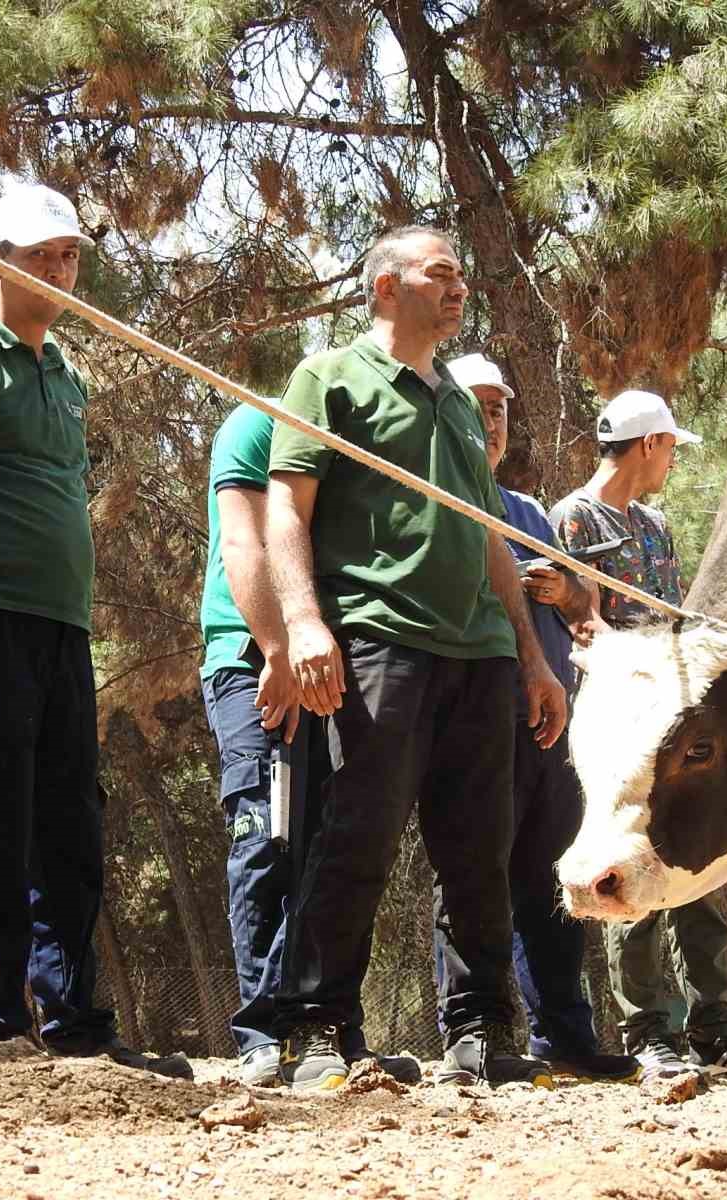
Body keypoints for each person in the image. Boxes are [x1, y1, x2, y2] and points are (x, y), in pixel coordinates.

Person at [266, 225, 568, 1091]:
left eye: (462, 275)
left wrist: (532, 660)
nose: (460, 288)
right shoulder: (326, 378)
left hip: (478, 655)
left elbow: (489, 538)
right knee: (354, 834)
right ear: (385, 289)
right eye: (441, 274)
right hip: (376, 638)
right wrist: (304, 623)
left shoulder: (463, 404)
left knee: (481, 850)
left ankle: (481, 1034)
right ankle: (319, 1030)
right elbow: (287, 509)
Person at [0, 183, 185, 1076]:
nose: (60, 268)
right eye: (41, 255)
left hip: (64, 629)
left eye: (69, 254)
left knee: (71, 824)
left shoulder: (66, 371)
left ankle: (76, 1024)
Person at [549, 389, 727, 1082]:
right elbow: (580, 620)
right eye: (669, 450)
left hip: (675, 716)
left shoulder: (653, 525)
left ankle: (717, 1028)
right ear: (649, 444)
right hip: (616, 726)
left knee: (695, 869)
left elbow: (681, 619)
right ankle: (649, 1029)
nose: (670, 464)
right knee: (624, 863)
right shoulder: (571, 518)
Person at [198, 400, 420, 1086]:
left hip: (330, 668)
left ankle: (331, 1026)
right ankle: (265, 1034)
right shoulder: (253, 425)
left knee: (336, 845)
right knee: (269, 839)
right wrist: (276, 648)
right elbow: (245, 542)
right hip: (254, 664)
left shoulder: (339, 445)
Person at [441, 352, 637, 1083]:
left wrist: (564, 592)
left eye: (499, 409)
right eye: (476, 406)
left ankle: (566, 1036)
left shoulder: (526, 510)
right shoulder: (429, 492)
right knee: (474, 872)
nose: (490, 421)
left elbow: (589, 609)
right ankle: (476, 1034)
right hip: (475, 709)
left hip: (554, 722)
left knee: (558, 879)